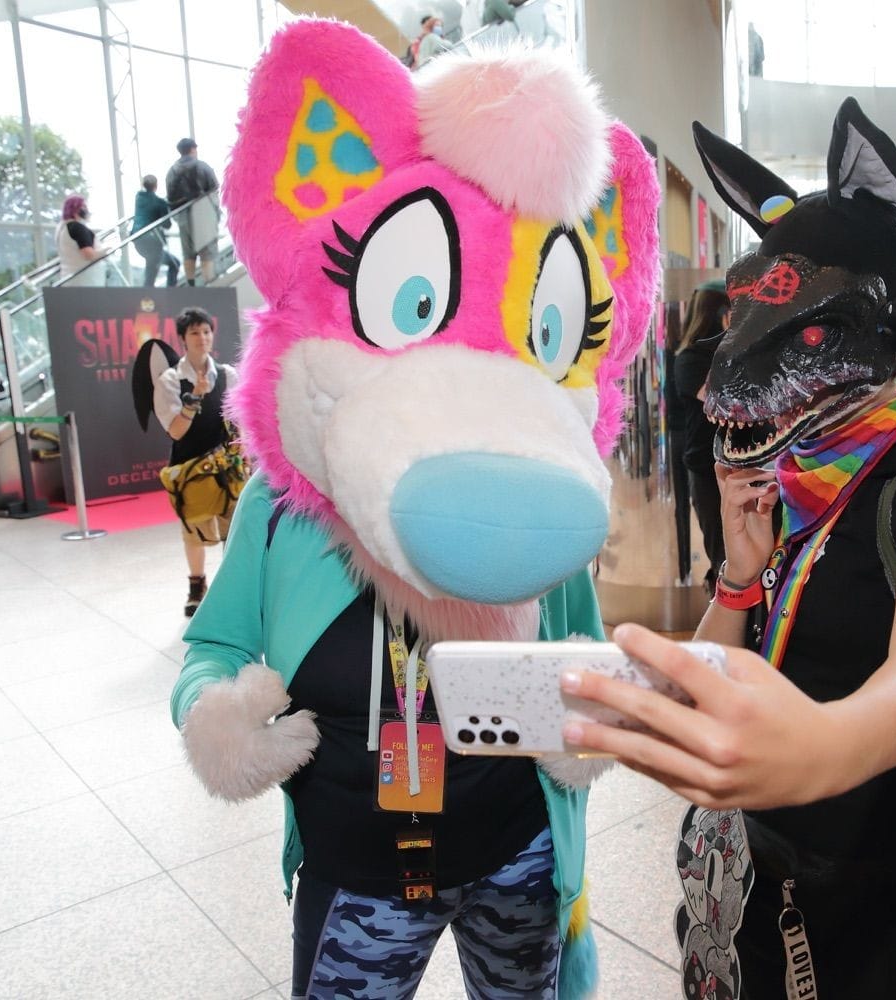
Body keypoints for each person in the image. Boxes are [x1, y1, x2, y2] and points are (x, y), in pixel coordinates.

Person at [568, 100, 896, 999]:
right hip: (771, 862)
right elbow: (724, 653)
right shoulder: (799, 467)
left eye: (810, 332)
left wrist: (825, 743)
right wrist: (739, 577)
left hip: (877, 877)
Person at [169, 24, 660, 1000]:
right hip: (359, 872)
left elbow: (581, 657)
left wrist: (599, 710)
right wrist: (215, 717)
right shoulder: (281, 508)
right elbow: (211, 648)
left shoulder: (534, 506)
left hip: (515, 851)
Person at [149, 308, 240, 615]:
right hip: (191, 468)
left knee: (235, 529)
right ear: (183, 339)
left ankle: (231, 586)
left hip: (228, 466)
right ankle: (197, 585)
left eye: (206, 331)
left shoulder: (228, 375)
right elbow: (176, 430)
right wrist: (196, 398)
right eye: (194, 333)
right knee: (195, 531)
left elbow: (240, 419)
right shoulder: (171, 381)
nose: (202, 338)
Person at [670, 280, 730, 592]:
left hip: (740, 464)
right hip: (706, 465)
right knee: (720, 547)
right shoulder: (689, 359)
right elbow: (724, 401)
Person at [165, 138, 221, 285]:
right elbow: (215, 188)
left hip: (183, 217)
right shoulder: (202, 166)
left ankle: (191, 285)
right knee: (206, 253)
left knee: (188, 254)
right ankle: (210, 284)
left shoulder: (172, 171)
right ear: (193, 149)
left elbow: (170, 198)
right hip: (204, 213)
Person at [133, 174, 179, 288]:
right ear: (156, 186)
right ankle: (169, 295)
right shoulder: (160, 203)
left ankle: (162, 295)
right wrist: (166, 207)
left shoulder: (139, 197)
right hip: (153, 241)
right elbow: (167, 225)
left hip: (138, 239)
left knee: (172, 264)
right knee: (151, 275)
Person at [56, 195, 105, 287]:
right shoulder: (77, 228)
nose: (86, 210)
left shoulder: (62, 227)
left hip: (69, 278)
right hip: (85, 281)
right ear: (75, 208)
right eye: (84, 207)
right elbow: (89, 255)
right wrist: (106, 250)